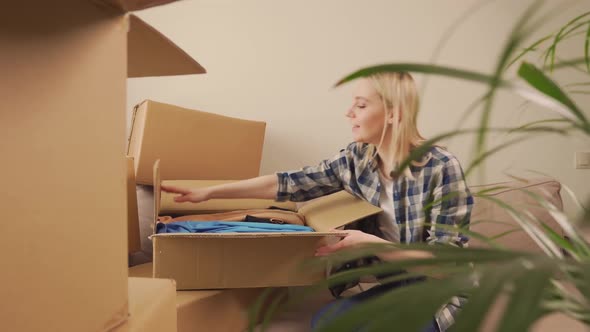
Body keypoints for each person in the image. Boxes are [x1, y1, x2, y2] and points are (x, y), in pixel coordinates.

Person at [162, 72, 473, 332]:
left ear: (394, 113)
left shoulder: (440, 167)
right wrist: (210, 193)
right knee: (325, 322)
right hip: (398, 284)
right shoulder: (357, 159)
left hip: (440, 292)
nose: (348, 113)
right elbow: (289, 183)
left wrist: (372, 245)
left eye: (361, 105)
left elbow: (445, 265)